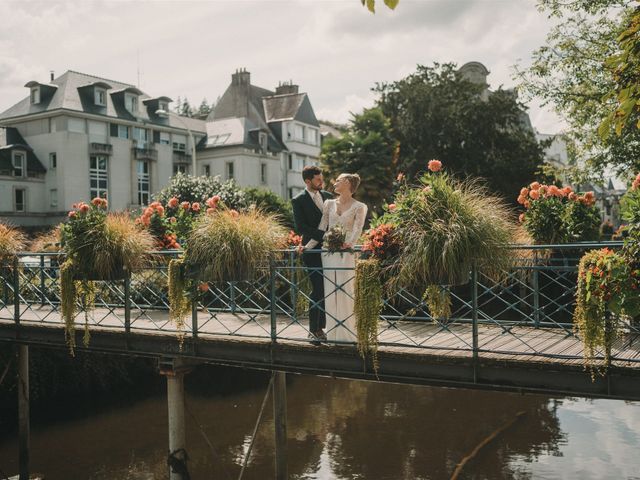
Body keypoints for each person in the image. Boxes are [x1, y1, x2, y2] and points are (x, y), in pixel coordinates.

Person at [305, 173, 367, 343]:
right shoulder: (328, 203)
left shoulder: (360, 206)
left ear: (347, 183)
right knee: (330, 291)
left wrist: (350, 244)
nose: (335, 182)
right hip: (327, 252)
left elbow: (357, 228)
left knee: (346, 290)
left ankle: (348, 334)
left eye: (339, 180)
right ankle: (333, 333)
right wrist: (307, 247)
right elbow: (322, 228)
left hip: (346, 253)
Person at [292, 166, 334, 344]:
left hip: (331, 250)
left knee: (331, 288)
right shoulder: (298, 200)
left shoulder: (328, 197)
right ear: (307, 181)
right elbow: (301, 227)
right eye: (318, 180)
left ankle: (326, 326)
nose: (321, 182)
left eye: (321, 179)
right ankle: (314, 329)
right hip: (312, 251)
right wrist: (323, 236)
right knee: (318, 289)